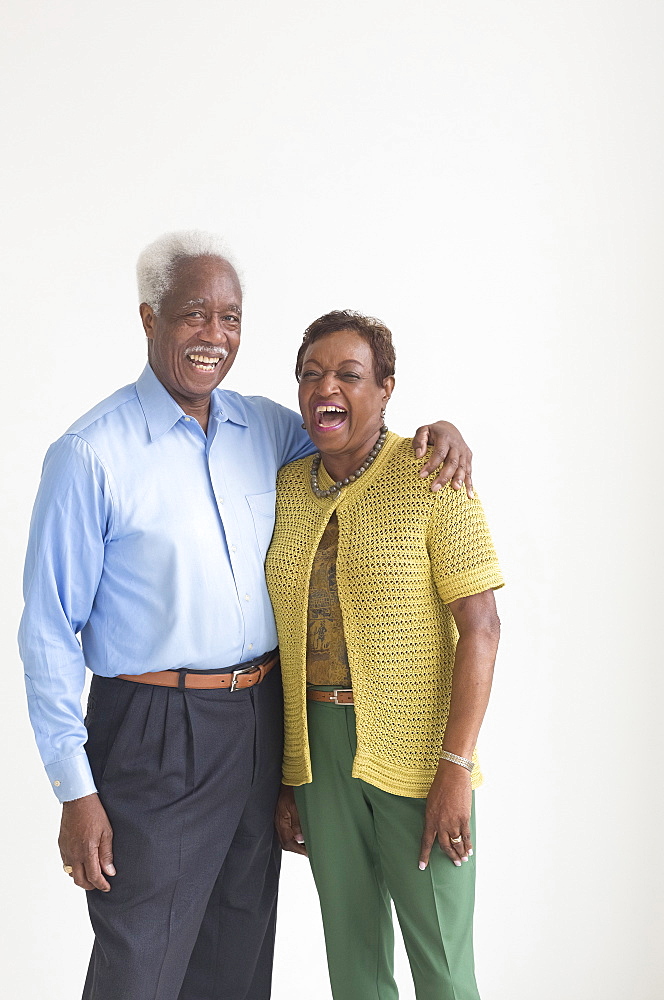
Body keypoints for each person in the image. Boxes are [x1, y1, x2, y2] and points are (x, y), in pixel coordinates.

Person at [18, 233, 475, 1000]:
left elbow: (357, 438)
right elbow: (46, 630)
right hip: (153, 727)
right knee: (140, 961)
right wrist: (74, 789)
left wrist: (442, 432)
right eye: (194, 314)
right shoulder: (90, 453)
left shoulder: (265, 429)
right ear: (148, 318)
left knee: (236, 951)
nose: (215, 336)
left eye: (230, 318)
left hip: (261, 720)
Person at [269, 310, 504, 1000]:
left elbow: (483, 626)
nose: (325, 389)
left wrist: (456, 767)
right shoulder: (287, 486)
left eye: (348, 374)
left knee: (443, 969)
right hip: (317, 753)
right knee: (354, 962)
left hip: (418, 752)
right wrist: (288, 774)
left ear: (387, 388)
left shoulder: (432, 472)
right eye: (310, 375)